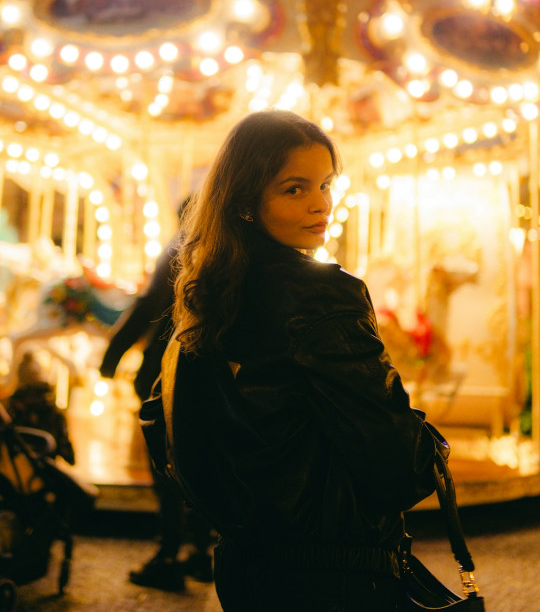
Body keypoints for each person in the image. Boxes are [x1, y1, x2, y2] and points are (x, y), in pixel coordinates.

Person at [159, 109, 448, 612]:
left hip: (244, 560)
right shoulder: (323, 295)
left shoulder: (212, 291)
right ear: (247, 199)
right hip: (330, 566)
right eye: (295, 189)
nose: (321, 205)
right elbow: (393, 461)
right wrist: (432, 450)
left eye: (325, 185)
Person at [99, 202, 213, 592]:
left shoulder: (180, 247)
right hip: (212, 374)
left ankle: (168, 554)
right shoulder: (226, 251)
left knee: (167, 464)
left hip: (171, 369)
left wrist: (113, 355)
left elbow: (149, 305)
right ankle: (200, 551)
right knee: (201, 465)